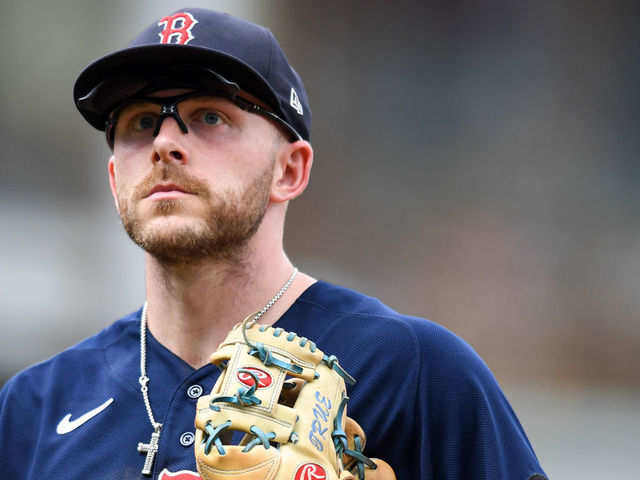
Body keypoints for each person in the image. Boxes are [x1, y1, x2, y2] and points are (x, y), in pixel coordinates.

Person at [0, 8, 547, 480]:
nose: (165, 142)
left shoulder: (413, 372)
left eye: (208, 116)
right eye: (142, 121)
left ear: (289, 169)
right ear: (117, 178)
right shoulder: (32, 407)